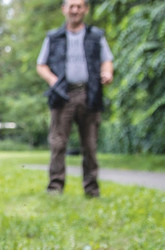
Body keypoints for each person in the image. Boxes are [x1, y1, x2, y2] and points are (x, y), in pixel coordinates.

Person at [36, 0, 113, 197]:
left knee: (90, 145)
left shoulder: (96, 36)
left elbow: (107, 60)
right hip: (62, 95)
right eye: (71, 6)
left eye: (79, 6)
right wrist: (54, 81)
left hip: (90, 94)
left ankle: (91, 189)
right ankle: (55, 188)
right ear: (64, 9)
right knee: (58, 143)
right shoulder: (53, 37)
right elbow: (41, 65)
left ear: (85, 9)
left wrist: (107, 73)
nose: (75, 10)